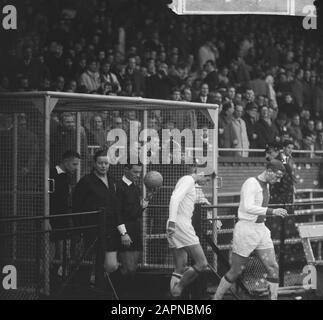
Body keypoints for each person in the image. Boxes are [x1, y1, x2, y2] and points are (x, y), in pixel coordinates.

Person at [213, 160, 287, 300]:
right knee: (236, 271)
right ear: (269, 171)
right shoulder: (251, 183)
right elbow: (248, 207)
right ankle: (216, 298)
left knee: (273, 267)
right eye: (277, 176)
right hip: (246, 229)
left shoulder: (267, 185)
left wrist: (270, 212)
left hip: (261, 229)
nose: (278, 180)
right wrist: (273, 211)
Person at [166, 165, 216, 298]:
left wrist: (214, 220)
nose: (207, 183)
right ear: (201, 173)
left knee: (180, 268)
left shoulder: (194, 185)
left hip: (178, 224)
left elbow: (202, 201)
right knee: (202, 263)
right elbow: (175, 198)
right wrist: (172, 221)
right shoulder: (187, 180)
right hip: (180, 225)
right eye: (207, 179)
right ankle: (178, 289)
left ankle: (174, 296)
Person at [72, 149, 121, 282]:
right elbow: (76, 205)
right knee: (94, 260)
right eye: (100, 163)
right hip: (92, 228)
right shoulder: (86, 182)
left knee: (111, 265)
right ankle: (93, 284)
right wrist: (78, 230)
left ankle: (97, 280)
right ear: (94, 163)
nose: (103, 166)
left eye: (106, 163)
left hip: (110, 229)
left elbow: (116, 205)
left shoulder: (113, 181)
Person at [115, 163, 149, 299]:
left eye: (139, 172)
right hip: (125, 231)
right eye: (135, 172)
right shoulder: (119, 187)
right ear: (126, 170)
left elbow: (134, 213)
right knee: (127, 268)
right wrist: (123, 233)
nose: (138, 175)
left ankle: (126, 296)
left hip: (135, 229)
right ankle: (117, 295)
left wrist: (143, 205)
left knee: (132, 270)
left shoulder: (135, 187)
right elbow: (117, 213)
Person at [49, 151, 81, 276]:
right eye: (74, 164)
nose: (76, 167)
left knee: (65, 251)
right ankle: (45, 279)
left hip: (63, 218)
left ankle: (62, 276)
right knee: (49, 251)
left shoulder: (67, 176)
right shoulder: (51, 174)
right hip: (51, 218)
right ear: (66, 162)